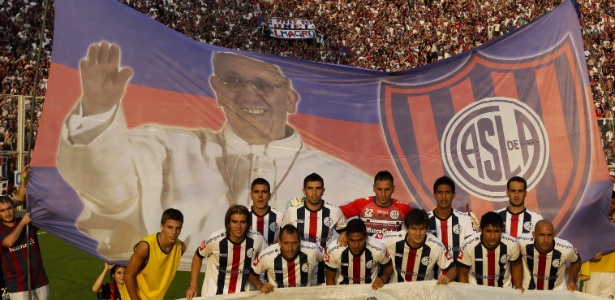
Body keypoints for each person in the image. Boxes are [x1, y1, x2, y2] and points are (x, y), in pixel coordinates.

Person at [56, 42, 373, 261]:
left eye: (264, 85)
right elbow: (106, 186)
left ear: (290, 99)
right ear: (217, 89)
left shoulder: (347, 180)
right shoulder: (166, 146)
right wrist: (97, 112)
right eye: (232, 80)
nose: (247, 94)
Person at [186, 205, 266, 298]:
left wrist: (262, 284)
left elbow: (266, 261)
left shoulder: (257, 239)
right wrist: (193, 286)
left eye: (243, 222)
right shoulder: (214, 239)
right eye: (234, 222)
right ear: (228, 223)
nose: (238, 226)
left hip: (242, 296)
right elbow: (198, 256)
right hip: (213, 296)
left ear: (248, 223)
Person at [281, 173, 347, 284]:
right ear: (304, 191)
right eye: (310, 188)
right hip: (298, 267)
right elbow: (281, 238)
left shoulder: (335, 212)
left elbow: (345, 232)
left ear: (323, 190)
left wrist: (345, 234)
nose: (314, 193)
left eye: (318, 188)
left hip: (324, 267)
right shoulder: (292, 212)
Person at [382, 209, 457, 284]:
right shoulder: (392, 240)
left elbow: (452, 269)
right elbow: (373, 244)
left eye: (421, 229)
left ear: (427, 229)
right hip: (398, 291)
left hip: (425, 292)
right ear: (406, 228)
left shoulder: (436, 246)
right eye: (414, 229)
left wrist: (447, 277)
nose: (418, 233)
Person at [125, 208, 185, 300]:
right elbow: (128, 275)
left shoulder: (180, 248)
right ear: (162, 227)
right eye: (170, 227)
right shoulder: (146, 246)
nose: (174, 232)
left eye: (178, 228)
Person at [0, 195, 49, 300]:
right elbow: (9, 242)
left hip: (40, 280)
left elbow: (47, 214)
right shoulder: (2, 230)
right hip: (18, 286)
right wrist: (22, 224)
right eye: (3, 210)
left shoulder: (28, 222)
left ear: (13, 207)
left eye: (9, 208)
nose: (7, 213)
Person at [248, 224, 324, 292]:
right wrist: (261, 286)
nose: (290, 248)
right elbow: (252, 275)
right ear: (280, 242)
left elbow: (329, 257)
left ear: (299, 241)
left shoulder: (313, 250)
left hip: (305, 297)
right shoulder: (267, 255)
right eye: (286, 243)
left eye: (294, 243)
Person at [457, 211, 523, 289]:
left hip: (504, 292)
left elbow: (516, 265)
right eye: (488, 231)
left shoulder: (512, 244)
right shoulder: (468, 245)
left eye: (496, 231)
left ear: (502, 229)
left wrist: (518, 287)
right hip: (475, 292)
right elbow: (462, 273)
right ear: (481, 229)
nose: (492, 236)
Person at [324, 219, 393, 289]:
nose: (356, 245)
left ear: (366, 237)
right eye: (352, 240)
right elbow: (330, 278)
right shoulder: (334, 249)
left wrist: (384, 278)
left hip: (370, 290)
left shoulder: (378, 248)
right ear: (346, 237)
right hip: (343, 292)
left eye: (360, 240)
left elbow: (389, 265)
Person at [339, 171, 412, 237]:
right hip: (367, 249)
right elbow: (335, 213)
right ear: (374, 188)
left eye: (387, 189)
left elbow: (419, 224)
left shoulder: (403, 208)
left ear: (393, 189)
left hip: (391, 250)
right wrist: (344, 232)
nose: (383, 194)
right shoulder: (361, 204)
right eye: (379, 189)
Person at [427, 176, 475, 271]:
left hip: (459, 277)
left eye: (447, 192)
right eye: (440, 192)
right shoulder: (425, 220)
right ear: (434, 195)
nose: (444, 196)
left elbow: (471, 249)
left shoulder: (465, 219)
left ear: (454, 195)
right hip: (431, 278)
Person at [517, 220, 581, 291]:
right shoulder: (521, 242)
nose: (546, 240)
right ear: (534, 235)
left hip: (557, 292)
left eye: (549, 235)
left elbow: (576, 260)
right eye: (541, 235)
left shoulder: (566, 249)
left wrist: (571, 280)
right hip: (529, 291)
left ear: (554, 234)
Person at [580, 191, 615, 298]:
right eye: (608, 202)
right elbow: (583, 243)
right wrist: (591, 254)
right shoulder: (591, 221)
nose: (610, 205)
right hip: (593, 270)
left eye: (613, 203)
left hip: (612, 272)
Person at [249, 178, 283, 245]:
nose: (260, 196)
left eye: (264, 192)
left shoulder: (280, 217)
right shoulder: (244, 216)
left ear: (269, 196)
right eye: (256, 192)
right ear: (251, 196)